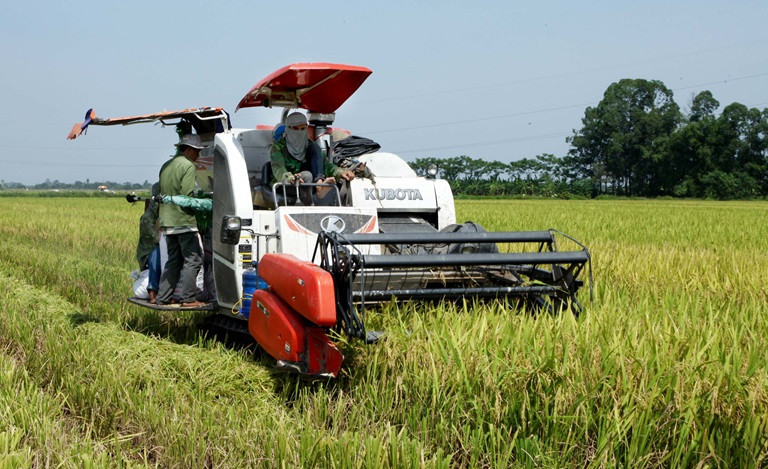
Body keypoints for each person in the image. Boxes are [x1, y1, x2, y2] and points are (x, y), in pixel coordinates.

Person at [156, 134, 205, 307]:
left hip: (167, 221)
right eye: (197, 151)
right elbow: (187, 194)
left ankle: (162, 298)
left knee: (173, 260)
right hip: (183, 220)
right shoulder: (188, 166)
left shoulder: (166, 165)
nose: (198, 155)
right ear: (188, 150)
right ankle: (188, 298)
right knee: (193, 260)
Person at [269, 112, 355, 204]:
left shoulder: (310, 145)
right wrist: (290, 178)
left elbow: (325, 165)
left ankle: (320, 184)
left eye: (302, 128)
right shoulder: (278, 147)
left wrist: (341, 172)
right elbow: (278, 168)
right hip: (288, 184)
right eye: (295, 128)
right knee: (307, 175)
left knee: (314, 149)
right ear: (288, 128)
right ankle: (314, 198)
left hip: (309, 183)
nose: (299, 132)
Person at [135, 183, 161, 303]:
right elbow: (158, 240)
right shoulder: (147, 219)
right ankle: (152, 290)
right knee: (157, 252)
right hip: (148, 255)